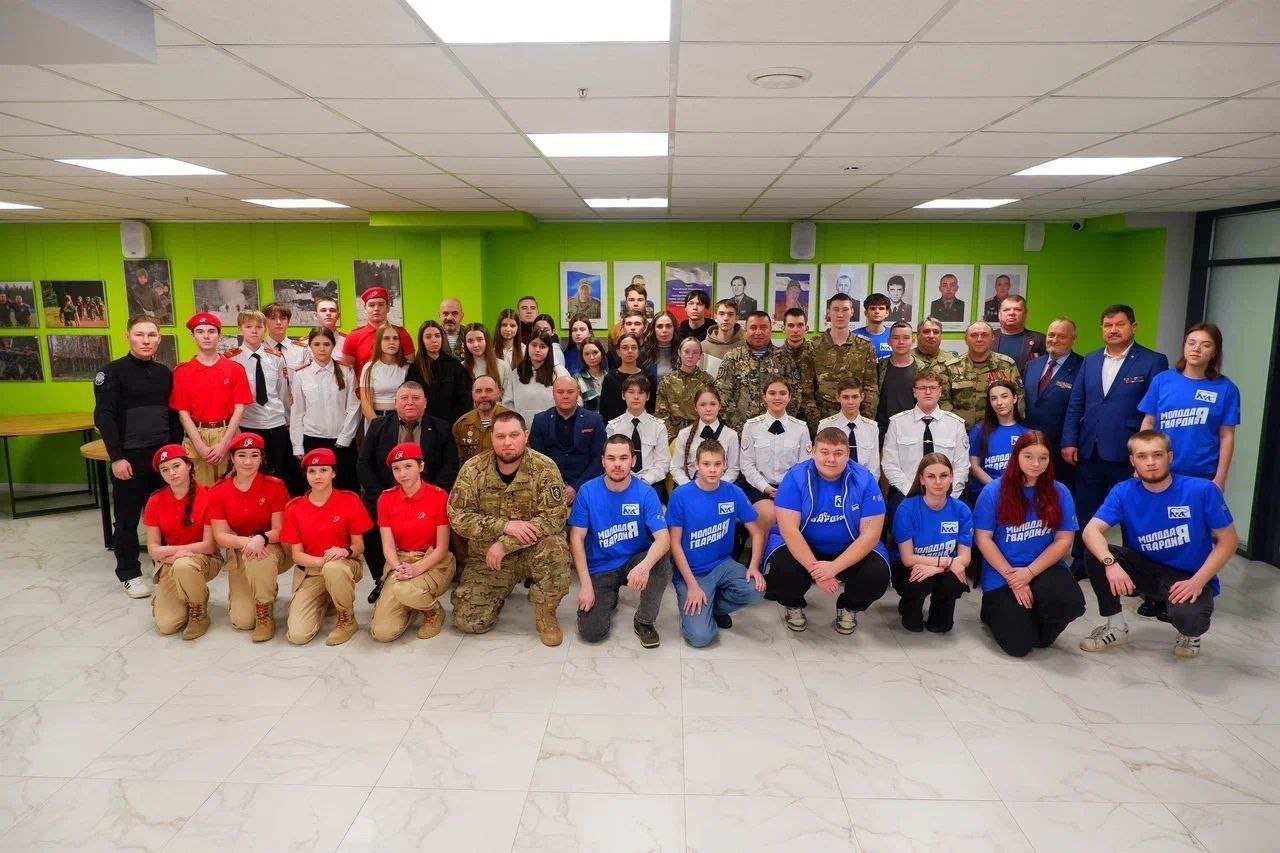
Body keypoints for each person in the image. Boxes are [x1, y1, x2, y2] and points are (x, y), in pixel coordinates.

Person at [1077, 430, 1237, 659]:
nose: (1150, 462)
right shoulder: (1123, 491)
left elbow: (1228, 541)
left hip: (1188, 576)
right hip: (1145, 568)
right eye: (1142, 456)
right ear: (1133, 461)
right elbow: (1091, 531)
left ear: (1169, 457)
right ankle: (1116, 626)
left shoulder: (1202, 490)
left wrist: (1198, 581)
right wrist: (1110, 564)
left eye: (1157, 455)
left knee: (1191, 620)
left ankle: (1189, 634)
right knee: (1096, 553)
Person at [1062, 304, 1169, 578]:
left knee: (1134, 512)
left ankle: (1135, 567)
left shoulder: (1153, 361)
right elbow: (1076, 403)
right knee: (1085, 509)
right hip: (1090, 449)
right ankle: (1082, 561)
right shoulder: (1091, 359)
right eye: (1108, 325)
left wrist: (1147, 454)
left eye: (1119, 324)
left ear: (1133, 327)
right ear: (1101, 329)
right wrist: (1069, 440)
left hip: (1129, 453)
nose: (1113, 330)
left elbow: (1156, 411)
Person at [449, 411, 571, 645]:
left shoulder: (544, 467)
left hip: (532, 551)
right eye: (500, 436)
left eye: (514, 435)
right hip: (489, 556)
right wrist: (505, 526)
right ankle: (498, 591)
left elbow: (554, 518)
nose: (507, 442)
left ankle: (545, 612)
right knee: (469, 621)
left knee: (555, 547)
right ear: (492, 438)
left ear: (525, 436)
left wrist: (505, 544)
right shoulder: (473, 469)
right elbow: (458, 517)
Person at [764, 427, 891, 634]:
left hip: (849, 547)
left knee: (876, 575)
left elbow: (870, 535)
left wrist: (834, 568)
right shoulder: (795, 477)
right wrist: (819, 572)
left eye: (838, 453)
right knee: (781, 571)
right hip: (804, 545)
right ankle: (793, 603)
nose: (831, 459)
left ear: (848, 454)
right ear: (813, 452)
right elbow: (789, 531)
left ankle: (849, 607)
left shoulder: (864, 479)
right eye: (824, 452)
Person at [973, 431, 1086, 658]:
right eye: (1028, 456)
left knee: (1068, 606)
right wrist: (1014, 578)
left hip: (1043, 567)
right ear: (1016, 456)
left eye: (1043, 458)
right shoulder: (993, 491)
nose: (1036, 464)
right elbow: (983, 539)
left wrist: (1030, 572)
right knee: (1019, 646)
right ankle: (995, 611)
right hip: (1004, 572)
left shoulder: (1060, 492)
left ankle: (1033, 616)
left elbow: (1064, 540)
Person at [94, 314, 181, 598]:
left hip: (161, 458)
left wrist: (174, 453)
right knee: (127, 518)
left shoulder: (164, 373)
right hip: (129, 459)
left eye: (152, 335)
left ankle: (165, 566)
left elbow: (172, 416)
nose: (146, 340)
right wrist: (116, 457)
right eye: (140, 334)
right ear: (128, 336)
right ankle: (129, 573)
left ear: (159, 339)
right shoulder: (111, 373)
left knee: (165, 516)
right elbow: (104, 416)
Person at [359, 381, 459, 598]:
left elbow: (450, 465)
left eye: (416, 398)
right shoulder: (378, 426)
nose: (410, 402)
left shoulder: (441, 427)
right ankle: (381, 578)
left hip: (428, 496)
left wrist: (431, 495)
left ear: (425, 402)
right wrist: (382, 496)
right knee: (366, 521)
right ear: (395, 403)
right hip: (386, 495)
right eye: (404, 398)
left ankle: (428, 570)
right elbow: (363, 464)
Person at [571, 434, 673, 647]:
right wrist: (585, 585)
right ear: (603, 461)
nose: (617, 464)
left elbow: (664, 539)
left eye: (623, 458)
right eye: (611, 458)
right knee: (592, 633)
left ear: (633, 461)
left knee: (661, 563)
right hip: (600, 566)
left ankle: (644, 621)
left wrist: (644, 567)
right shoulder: (587, 492)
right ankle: (608, 596)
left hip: (634, 562)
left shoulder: (646, 493)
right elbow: (576, 539)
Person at [666, 440, 765, 646]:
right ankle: (701, 609)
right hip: (692, 572)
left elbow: (757, 532)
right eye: (706, 464)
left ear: (725, 465)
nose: (712, 469)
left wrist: (754, 566)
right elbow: (674, 544)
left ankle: (715, 607)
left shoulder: (734, 492)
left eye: (717, 464)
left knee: (756, 588)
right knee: (700, 637)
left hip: (723, 564)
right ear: (697, 465)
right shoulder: (681, 495)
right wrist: (692, 585)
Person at [281, 447, 373, 646]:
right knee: (298, 636)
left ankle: (347, 619)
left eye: (323, 470)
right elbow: (297, 556)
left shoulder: (349, 501)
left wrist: (344, 551)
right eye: (312, 471)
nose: (317, 476)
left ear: (334, 473)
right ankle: (327, 599)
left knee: (334, 569)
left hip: (344, 565)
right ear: (306, 475)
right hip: (311, 572)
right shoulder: (295, 508)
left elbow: (359, 546)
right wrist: (323, 561)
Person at [208, 433, 290, 642]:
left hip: (270, 546)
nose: (248, 461)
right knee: (242, 621)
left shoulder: (274, 486)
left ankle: (265, 612)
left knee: (259, 559)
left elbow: (280, 530)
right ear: (232, 458)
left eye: (254, 455)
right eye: (242, 455)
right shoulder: (218, 491)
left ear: (261, 458)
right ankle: (257, 588)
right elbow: (220, 535)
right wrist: (248, 542)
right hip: (240, 548)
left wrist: (261, 538)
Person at [371, 442, 457, 643]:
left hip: (432, 560)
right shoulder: (386, 499)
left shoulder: (438, 496)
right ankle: (412, 604)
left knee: (404, 590)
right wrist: (397, 567)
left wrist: (416, 569)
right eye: (396, 469)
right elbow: (388, 545)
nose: (402, 474)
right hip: (400, 561)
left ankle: (433, 611)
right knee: (382, 633)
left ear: (421, 466)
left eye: (408, 466)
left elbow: (442, 548)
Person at [1139, 323, 1240, 490]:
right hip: (1159, 469)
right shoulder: (1162, 380)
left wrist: (1220, 478)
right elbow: (1148, 422)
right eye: (1191, 343)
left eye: (1205, 345)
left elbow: (1227, 436)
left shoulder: (1226, 388)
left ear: (1215, 352)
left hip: (1202, 474)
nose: (1196, 348)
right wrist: (1141, 463)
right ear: (1184, 346)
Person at [143, 444, 219, 639]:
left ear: (189, 466)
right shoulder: (155, 500)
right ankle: (183, 595)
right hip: (170, 562)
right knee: (167, 625)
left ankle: (198, 609)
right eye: (165, 469)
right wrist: (175, 555)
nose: (172, 473)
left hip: (204, 559)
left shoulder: (208, 495)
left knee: (184, 565)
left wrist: (172, 553)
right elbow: (153, 549)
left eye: (176, 466)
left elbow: (208, 545)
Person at [892, 454, 972, 633]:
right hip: (911, 568)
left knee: (953, 584)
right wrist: (945, 562)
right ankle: (909, 607)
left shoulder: (962, 510)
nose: (938, 482)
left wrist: (938, 568)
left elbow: (965, 557)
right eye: (931, 476)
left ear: (951, 477)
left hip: (945, 568)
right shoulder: (906, 509)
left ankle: (938, 617)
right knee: (919, 583)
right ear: (921, 479)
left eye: (944, 475)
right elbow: (908, 559)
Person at [170, 312, 250, 485]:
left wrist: (224, 444)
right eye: (200, 331)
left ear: (219, 336)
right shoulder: (182, 372)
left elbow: (240, 408)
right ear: (193, 336)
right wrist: (199, 445)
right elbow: (183, 413)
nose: (206, 336)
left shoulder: (235, 369)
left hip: (228, 432)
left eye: (211, 331)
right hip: (196, 434)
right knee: (200, 491)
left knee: (231, 488)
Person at [882, 371, 969, 524]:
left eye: (932, 387)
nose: (928, 392)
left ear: (940, 391)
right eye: (922, 388)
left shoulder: (955, 424)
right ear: (914, 392)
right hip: (906, 494)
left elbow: (962, 467)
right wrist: (912, 493)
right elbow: (890, 465)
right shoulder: (898, 423)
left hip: (947, 495)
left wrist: (946, 496)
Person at [226, 309, 296, 494]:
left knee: (278, 473)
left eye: (258, 327)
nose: (254, 331)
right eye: (248, 326)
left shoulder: (275, 357)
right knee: (250, 473)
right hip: (248, 425)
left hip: (276, 424)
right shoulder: (231, 360)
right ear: (240, 329)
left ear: (265, 329)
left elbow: (282, 392)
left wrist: (287, 421)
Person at [289, 326, 360, 490]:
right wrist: (297, 445)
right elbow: (297, 412)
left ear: (333, 345)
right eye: (317, 344)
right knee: (316, 488)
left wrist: (345, 437)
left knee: (345, 487)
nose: (322, 349)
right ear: (310, 346)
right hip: (312, 440)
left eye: (326, 344)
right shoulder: (301, 374)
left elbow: (354, 407)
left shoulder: (346, 371)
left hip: (341, 442)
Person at [739, 378, 812, 532]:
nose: (777, 397)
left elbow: (805, 465)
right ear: (764, 396)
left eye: (782, 393)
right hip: (760, 487)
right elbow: (747, 465)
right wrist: (765, 487)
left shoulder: (801, 428)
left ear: (789, 397)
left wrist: (788, 488)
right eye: (772, 393)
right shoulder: (751, 426)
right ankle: (762, 548)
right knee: (769, 516)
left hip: (792, 487)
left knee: (795, 517)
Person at [716, 311, 809, 431]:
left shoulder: (784, 358)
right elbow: (722, 395)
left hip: (777, 429)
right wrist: (741, 428)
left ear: (771, 330)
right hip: (741, 431)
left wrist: (780, 423)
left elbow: (795, 394)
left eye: (763, 328)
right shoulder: (732, 358)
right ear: (745, 330)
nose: (758, 332)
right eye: (753, 328)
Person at [1022, 317, 1083, 490]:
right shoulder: (1032, 365)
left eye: (1062, 336)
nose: (1054, 340)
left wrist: (1069, 442)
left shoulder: (1083, 366)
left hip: (1061, 449)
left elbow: (1080, 409)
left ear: (1073, 339)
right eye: (1051, 335)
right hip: (1030, 444)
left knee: (1058, 494)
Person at [530, 376, 606, 505]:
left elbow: (599, 460)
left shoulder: (594, 420)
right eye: (560, 392)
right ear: (553, 394)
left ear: (578, 394)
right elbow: (536, 461)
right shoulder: (540, 421)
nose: (565, 396)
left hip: (587, 488)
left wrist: (576, 487)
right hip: (547, 489)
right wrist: (555, 487)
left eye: (570, 392)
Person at [807, 292, 880, 423]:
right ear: (828, 312)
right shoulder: (813, 346)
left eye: (845, 310)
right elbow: (807, 390)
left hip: (856, 420)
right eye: (836, 309)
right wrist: (817, 424)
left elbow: (871, 388)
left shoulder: (865, 346)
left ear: (852, 312)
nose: (840, 315)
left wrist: (864, 421)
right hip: (823, 420)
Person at [946, 321, 1023, 429]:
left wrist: (1013, 427)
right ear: (966, 339)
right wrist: (950, 426)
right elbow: (944, 400)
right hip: (960, 429)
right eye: (974, 335)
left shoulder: (1006, 365)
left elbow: (1019, 397)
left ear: (993, 338)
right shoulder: (951, 367)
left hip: (997, 429)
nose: (979, 339)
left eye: (985, 335)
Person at [968, 380, 1029, 503]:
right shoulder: (979, 430)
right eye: (994, 398)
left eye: (1004, 396)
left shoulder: (1026, 433)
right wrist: (997, 488)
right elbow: (973, 467)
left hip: (1018, 494)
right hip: (987, 493)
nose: (999, 403)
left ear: (1014, 398)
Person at [405, 319, 473, 426]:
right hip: (424, 425)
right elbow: (412, 399)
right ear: (422, 341)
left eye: (437, 336)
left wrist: (452, 422)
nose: (434, 340)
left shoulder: (454, 366)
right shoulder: (415, 369)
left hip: (452, 425)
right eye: (428, 337)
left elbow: (465, 398)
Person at [337, 287, 414, 379]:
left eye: (381, 304)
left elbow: (411, 368)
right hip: (364, 387)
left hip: (398, 386)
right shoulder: (353, 337)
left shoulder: (402, 334)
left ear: (388, 308)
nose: (376, 309)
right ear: (365, 308)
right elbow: (347, 372)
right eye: (371, 305)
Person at [671, 386, 740, 487]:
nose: (708, 409)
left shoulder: (731, 435)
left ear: (719, 406)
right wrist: (690, 487)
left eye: (713, 404)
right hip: (690, 487)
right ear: (695, 407)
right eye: (702, 405)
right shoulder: (684, 434)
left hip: (720, 487)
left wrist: (717, 486)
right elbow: (676, 467)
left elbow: (733, 469)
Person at [655, 336, 717, 441]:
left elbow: (713, 411)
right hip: (673, 435)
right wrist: (672, 438)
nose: (690, 356)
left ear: (700, 356)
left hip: (701, 434)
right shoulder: (667, 381)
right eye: (686, 352)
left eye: (695, 352)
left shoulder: (707, 381)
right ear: (679, 352)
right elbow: (661, 413)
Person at [817, 377, 880, 480]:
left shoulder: (872, 428)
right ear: (838, 397)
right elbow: (820, 463)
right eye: (845, 397)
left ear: (862, 397)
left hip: (863, 484)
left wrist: (865, 487)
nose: (850, 402)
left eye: (855, 397)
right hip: (833, 483)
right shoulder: (825, 426)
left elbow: (874, 469)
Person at [510, 331, 570, 425]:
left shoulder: (559, 372)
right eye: (534, 345)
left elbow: (572, 401)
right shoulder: (516, 373)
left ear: (549, 349)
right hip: (522, 428)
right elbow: (508, 404)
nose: (537, 350)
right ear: (527, 346)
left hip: (554, 428)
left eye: (542, 346)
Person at [453, 375, 510, 465]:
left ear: (498, 393)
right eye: (478, 391)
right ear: (472, 394)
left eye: (489, 390)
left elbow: (524, 456)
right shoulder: (461, 424)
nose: (483, 395)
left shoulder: (512, 420)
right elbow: (458, 461)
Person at [599, 333, 656, 423]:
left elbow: (652, 408)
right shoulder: (610, 378)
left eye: (633, 347)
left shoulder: (648, 377)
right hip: (616, 427)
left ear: (638, 351)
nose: (629, 351)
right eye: (625, 348)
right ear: (618, 352)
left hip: (644, 426)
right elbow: (604, 410)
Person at [358, 324, 410, 421]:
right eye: (386, 338)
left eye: (395, 338)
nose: (392, 342)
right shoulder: (369, 368)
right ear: (379, 342)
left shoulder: (407, 367)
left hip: (402, 419)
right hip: (376, 418)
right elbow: (366, 406)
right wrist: (378, 426)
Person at [876, 321, 918, 435]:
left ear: (913, 341)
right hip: (883, 431)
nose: (901, 342)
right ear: (889, 341)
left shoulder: (923, 369)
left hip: (913, 430)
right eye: (895, 338)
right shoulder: (879, 368)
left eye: (906, 338)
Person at [461, 321, 515, 403]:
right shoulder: (461, 367)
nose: (475, 345)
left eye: (479, 339)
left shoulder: (502, 366)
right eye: (470, 341)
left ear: (487, 340)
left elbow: (509, 397)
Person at [992, 295, 1047, 372]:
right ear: (999, 314)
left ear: (1025, 313)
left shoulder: (1041, 340)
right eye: (1006, 310)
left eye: (1017, 309)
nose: (1011, 313)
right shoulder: (987, 338)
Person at [294, 296, 345, 367]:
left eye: (332, 310)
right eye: (323, 310)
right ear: (315, 315)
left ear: (338, 316)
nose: (328, 313)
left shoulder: (348, 341)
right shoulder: (303, 344)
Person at [261, 302, 309, 371]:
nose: (278, 322)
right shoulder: (260, 350)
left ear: (288, 322)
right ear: (264, 322)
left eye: (283, 318)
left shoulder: (301, 349)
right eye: (273, 318)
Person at [609, 282, 653, 348]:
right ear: (626, 303)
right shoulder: (615, 331)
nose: (636, 304)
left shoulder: (653, 330)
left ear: (646, 303)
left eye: (640, 300)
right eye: (631, 300)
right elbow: (612, 354)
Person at [643, 310, 679, 380]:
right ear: (653, 330)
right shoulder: (644, 353)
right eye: (659, 326)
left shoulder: (682, 352)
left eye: (668, 326)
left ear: (674, 328)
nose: (664, 330)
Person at [854, 292, 892, 358]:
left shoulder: (894, 335)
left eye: (881, 308)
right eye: (873, 308)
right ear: (866, 313)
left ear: (887, 313)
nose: (877, 311)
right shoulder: (854, 336)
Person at [575, 339, 608, 413]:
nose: (592, 357)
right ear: (582, 357)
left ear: (602, 353)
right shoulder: (577, 379)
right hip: (587, 419)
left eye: (595, 352)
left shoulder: (610, 377)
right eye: (587, 354)